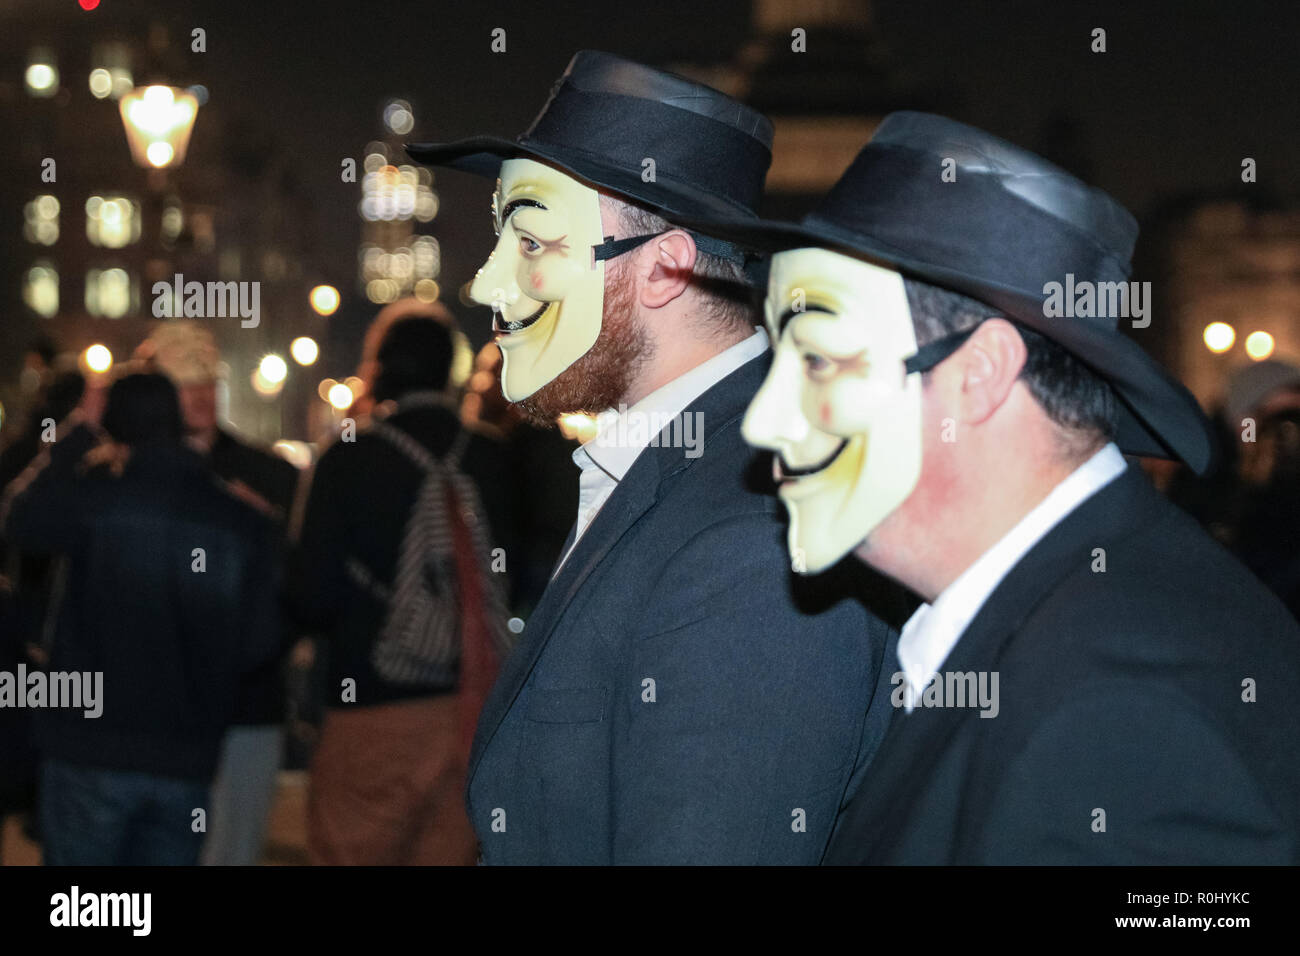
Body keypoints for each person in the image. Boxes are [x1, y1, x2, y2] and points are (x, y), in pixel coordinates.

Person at [679, 111, 1300, 863]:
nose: (763, 422)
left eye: (814, 361)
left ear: (979, 374)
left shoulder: (1119, 709)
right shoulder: (1083, 619)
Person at [407, 50, 900, 864]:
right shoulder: (666, 469)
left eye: (530, 242)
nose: (487, 284)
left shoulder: (756, 539)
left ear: (665, 267)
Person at [3, 372, 280, 865]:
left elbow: (20, 519)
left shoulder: (94, 504)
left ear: (113, 427)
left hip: (88, 748)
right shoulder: (240, 520)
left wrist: (77, 431)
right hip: (186, 756)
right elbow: (260, 644)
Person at [287, 300, 512, 866]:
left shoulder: (350, 458)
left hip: (370, 707)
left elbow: (309, 595)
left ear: (378, 367)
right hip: (471, 712)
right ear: (452, 371)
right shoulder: (491, 457)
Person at [136, 321, 300, 866]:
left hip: (244, 705)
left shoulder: (268, 476)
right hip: (157, 709)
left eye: (208, 380)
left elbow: (292, 585)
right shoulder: (131, 481)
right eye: (186, 384)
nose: (202, 395)